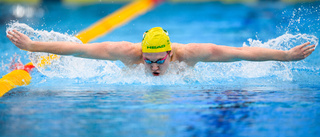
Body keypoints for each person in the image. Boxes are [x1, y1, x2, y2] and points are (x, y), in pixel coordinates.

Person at [7, 27, 316, 76]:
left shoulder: (192, 53)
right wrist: (33, 45)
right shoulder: (127, 52)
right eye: (148, 59)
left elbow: (240, 53)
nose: (153, 66)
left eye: (159, 60)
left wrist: (285, 56)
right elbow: (78, 50)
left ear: (170, 54)